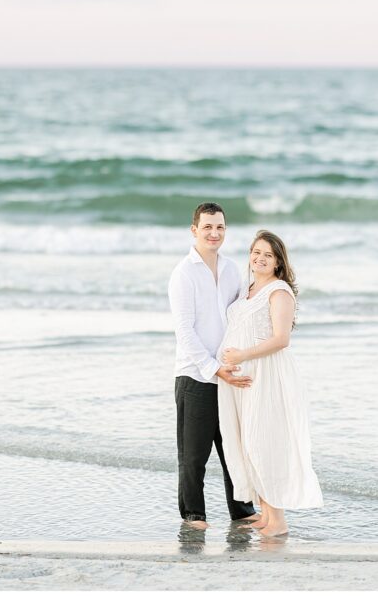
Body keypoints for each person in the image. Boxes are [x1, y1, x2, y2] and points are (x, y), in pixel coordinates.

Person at [217, 230, 324, 537]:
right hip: (243, 377)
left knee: (264, 442)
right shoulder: (248, 289)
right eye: (256, 252)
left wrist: (242, 354)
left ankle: (277, 521)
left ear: (278, 263)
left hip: (266, 375)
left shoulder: (279, 291)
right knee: (248, 443)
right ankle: (266, 513)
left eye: (268, 255)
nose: (260, 259)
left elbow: (281, 339)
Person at [168, 202, 261, 529]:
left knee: (234, 447)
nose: (214, 233)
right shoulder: (183, 274)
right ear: (194, 230)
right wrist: (212, 367)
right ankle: (193, 514)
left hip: (228, 374)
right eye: (207, 227)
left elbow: (242, 315)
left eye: (220, 227)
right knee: (194, 455)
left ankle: (242, 511)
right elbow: (185, 332)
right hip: (195, 375)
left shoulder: (233, 269)